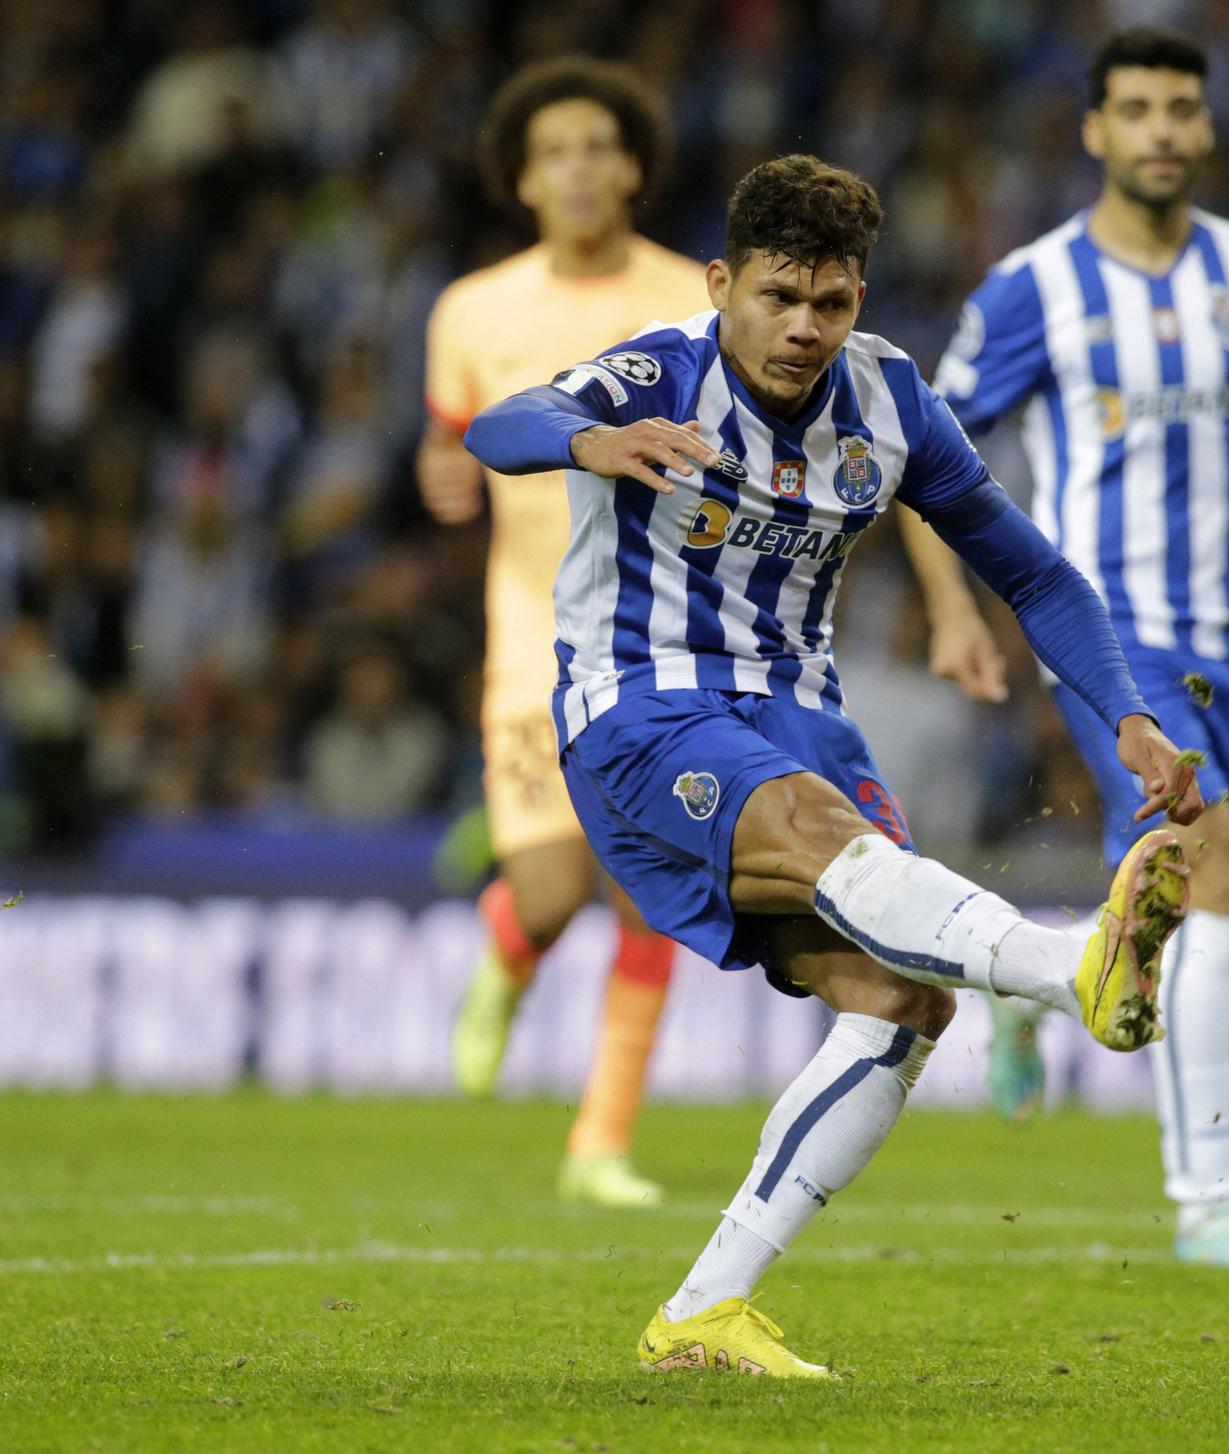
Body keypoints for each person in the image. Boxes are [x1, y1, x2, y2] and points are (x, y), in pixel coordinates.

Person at [463, 154, 1204, 1378]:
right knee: (822, 834)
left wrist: (1125, 714)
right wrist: (591, 440)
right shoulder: (661, 371)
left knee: (903, 1001)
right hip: (643, 704)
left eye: (834, 300)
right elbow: (506, 425)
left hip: (800, 714)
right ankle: (1072, 964)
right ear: (722, 284)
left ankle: (702, 1308)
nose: (806, 327)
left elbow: (1034, 572)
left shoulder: (892, 402)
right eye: (778, 297)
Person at [903, 27, 1229, 1270]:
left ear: (1203, 129)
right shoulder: (1031, 286)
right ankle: (1207, 1200)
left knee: (1192, 895)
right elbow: (917, 456)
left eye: (1177, 108)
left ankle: (1031, 977)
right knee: (1219, 872)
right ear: (1091, 129)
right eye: (1132, 107)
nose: (1157, 128)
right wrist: (950, 608)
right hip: (1106, 631)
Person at [419, 59, 711, 1207]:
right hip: (527, 639)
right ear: (522, 180)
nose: (580, 167)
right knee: (549, 894)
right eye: (555, 152)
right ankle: (506, 946)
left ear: (634, 165)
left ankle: (600, 1141)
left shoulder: (694, 295)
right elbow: (451, 442)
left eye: (600, 144)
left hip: (660, 641)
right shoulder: (471, 311)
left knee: (647, 891)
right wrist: (440, 472)